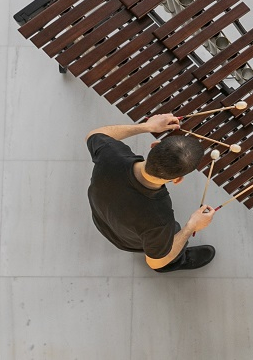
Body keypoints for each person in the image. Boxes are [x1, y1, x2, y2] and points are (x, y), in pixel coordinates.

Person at [86, 113, 217, 272]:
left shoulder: (111, 154)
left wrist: (147, 126)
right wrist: (191, 227)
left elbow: (93, 135)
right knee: (174, 234)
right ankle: (178, 260)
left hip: (101, 219)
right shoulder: (159, 219)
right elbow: (155, 263)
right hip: (129, 241)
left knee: (160, 235)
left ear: (154, 146)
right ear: (177, 180)